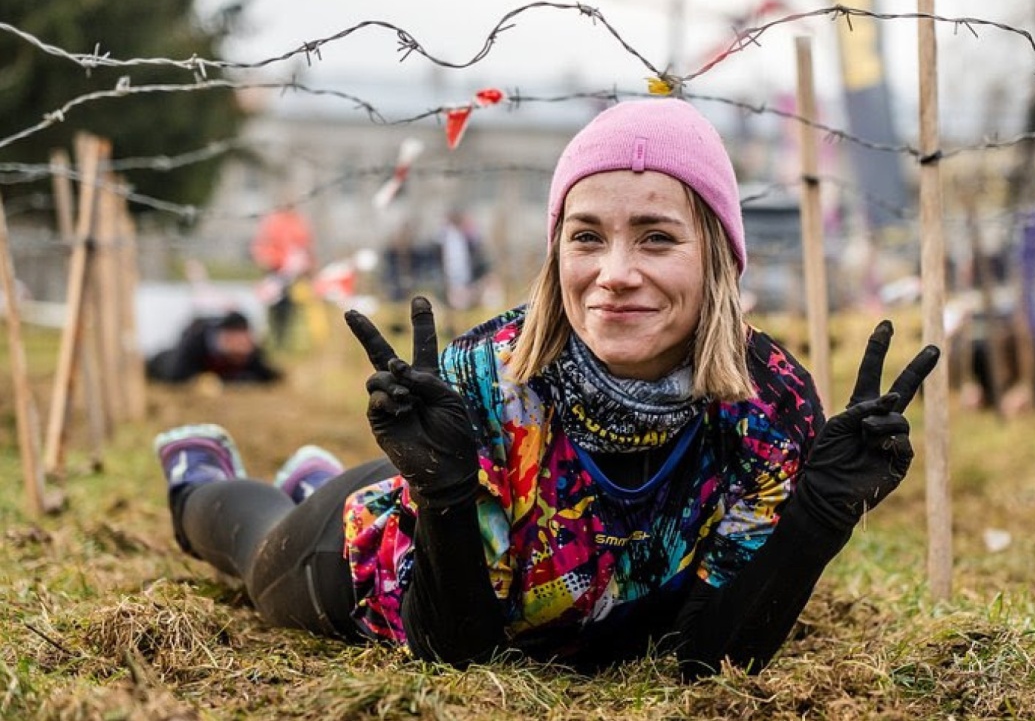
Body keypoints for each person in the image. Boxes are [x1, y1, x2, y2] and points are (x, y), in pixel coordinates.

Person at [153, 98, 939, 678]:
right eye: (587, 236)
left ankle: (310, 472)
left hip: (571, 607)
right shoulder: (486, 378)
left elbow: (709, 658)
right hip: (392, 570)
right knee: (254, 547)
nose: (615, 273)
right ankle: (198, 472)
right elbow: (457, 654)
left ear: (719, 259)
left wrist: (818, 516)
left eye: (657, 237)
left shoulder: (772, 407)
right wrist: (441, 489)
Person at [146, 310, 283, 385]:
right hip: (165, 361)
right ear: (226, 338)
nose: (243, 347)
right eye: (238, 341)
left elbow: (267, 375)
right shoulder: (197, 341)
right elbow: (178, 375)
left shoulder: (250, 350)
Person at [251, 203, 316, 348]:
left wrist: (307, 265)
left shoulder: (297, 222)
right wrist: (267, 261)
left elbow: (305, 246)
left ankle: (282, 339)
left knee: (289, 305)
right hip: (276, 269)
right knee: (275, 304)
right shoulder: (275, 222)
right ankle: (275, 338)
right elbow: (263, 245)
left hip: (292, 272)